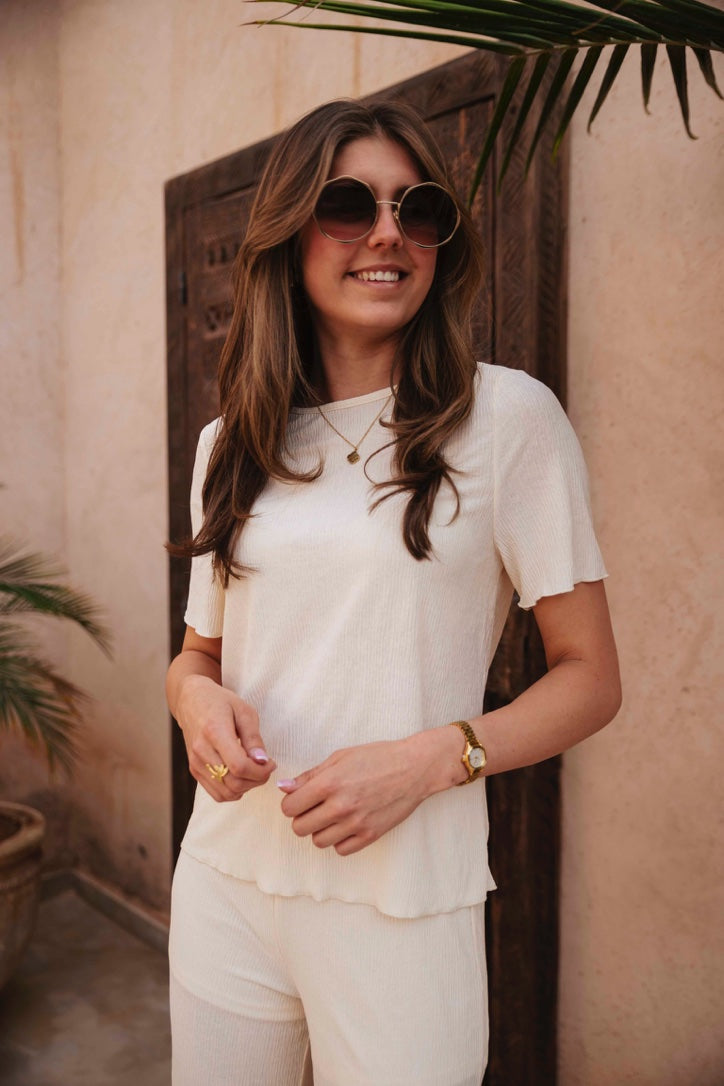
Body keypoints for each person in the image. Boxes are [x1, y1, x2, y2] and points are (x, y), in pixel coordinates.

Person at [166, 98, 621, 1086]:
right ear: (290, 237)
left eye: (417, 210)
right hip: (224, 881)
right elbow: (199, 655)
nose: (387, 233)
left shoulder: (507, 419)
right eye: (348, 204)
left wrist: (430, 760)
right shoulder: (230, 442)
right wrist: (195, 702)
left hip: (401, 903)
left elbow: (591, 678)